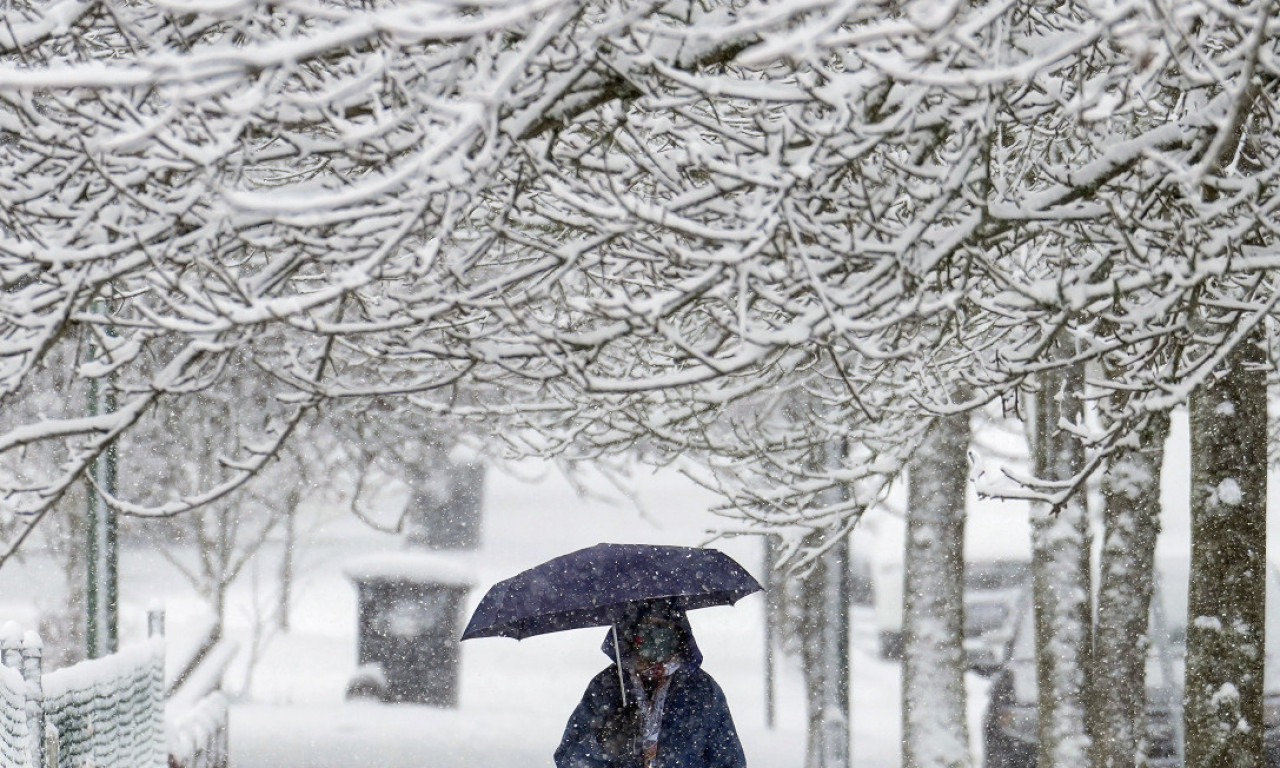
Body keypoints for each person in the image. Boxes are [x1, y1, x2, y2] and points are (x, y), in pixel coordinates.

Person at [554, 600, 747, 768]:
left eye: (664, 628)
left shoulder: (701, 690)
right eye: (647, 628)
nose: (656, 638)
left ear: (679, 634)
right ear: (631, 634)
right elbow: (568, 758)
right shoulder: (608, 687)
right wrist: (602, 744)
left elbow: (729, 761)